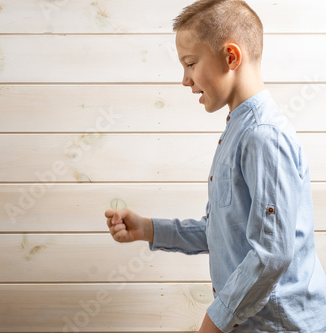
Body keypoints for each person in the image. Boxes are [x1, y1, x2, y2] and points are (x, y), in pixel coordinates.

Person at [105, 0, 326, 332]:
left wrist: (215, 321)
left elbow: (271, 255)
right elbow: (224, 233)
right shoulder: (237, 132)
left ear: (231, 57)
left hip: (281, 325)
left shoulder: (263, 136)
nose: (185, 79)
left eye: (190, 63)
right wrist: (148, 228)